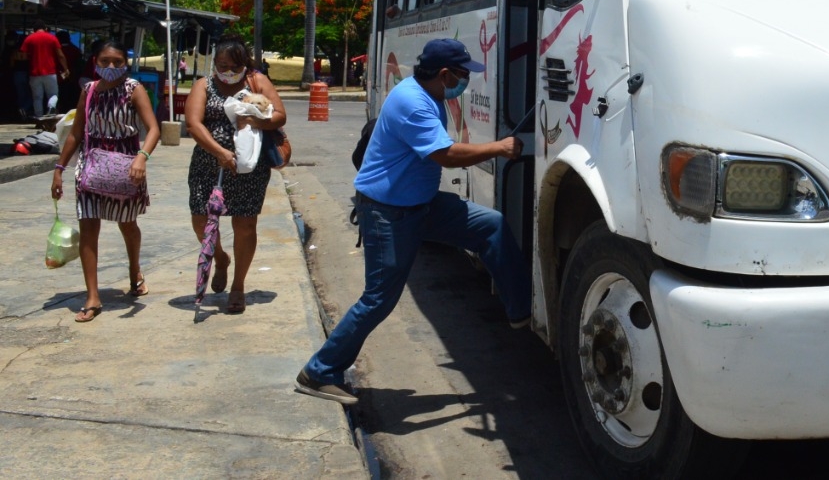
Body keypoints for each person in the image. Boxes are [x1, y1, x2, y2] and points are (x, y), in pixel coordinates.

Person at [295, 39, 530, 405]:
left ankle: (521, 312)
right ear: (444, 74)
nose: (466, 80)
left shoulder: (428, 94)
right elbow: (446, 155)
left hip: (421, 206)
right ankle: (319, 371)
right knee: (378, 300)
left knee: (491, 225)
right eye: (463, 74)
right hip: (389, 214)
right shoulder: (413, 102)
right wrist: (499, 147)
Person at [50, 39, 161, 322]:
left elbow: (153, 129)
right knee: (88, 226)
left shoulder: (133, 90)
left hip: (126, 167)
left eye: (117, 62)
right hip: (91, 166)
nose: (111, 67)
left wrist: (142, 157)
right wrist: (59, 167)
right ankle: (93, 296)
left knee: (127, 223)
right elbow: (76, 132)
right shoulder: (88, 91)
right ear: (95, 63)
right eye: (104, 62)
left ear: (126, 63)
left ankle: (134, 269)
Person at [185, 36, 286, 314]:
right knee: (201, 220)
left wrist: (254, 119)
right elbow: (193, 124)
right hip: (208, 165)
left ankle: (238, 285)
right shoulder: (203, 85)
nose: (227, 72)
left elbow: (280, 115)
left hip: (248, 168)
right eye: (221, 65)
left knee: (245, 225)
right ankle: (220, 258)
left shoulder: (257, 81)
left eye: (233, 66)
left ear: (244, 64)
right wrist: (219, 151)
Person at [21, 20, 69, 117]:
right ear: (45, 28)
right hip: (50, 72)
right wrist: (66, 68)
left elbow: (23, 57)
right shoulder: (52, 38)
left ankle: (38, 117)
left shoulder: (29, 39)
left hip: (34, 73)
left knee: (37, 97)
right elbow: (60, 55)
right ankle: (51, 109)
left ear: (34, 29)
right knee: (53, 95)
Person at [56, 30, 83, 114]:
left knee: (59, 94)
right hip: (72, 76)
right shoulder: (75, 49)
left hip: (58, 75)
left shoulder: (57, 50)